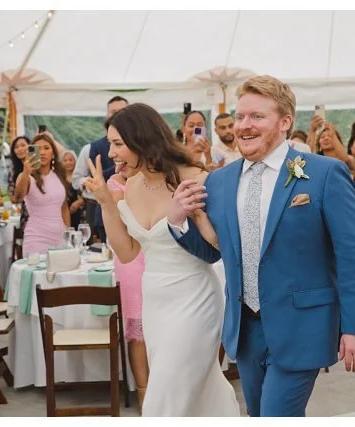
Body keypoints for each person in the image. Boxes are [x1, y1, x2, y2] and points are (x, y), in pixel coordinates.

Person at [168, 75, 355, 417]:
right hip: (246, 331)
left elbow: (353, 254)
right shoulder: (219, 181)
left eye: (256, 117)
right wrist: (177, 221)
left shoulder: (324, 173)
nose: (243, 126)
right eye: (240, 117)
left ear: (284, 122)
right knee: (260, 414)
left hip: (302, 326)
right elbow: (215, 251)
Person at [81, 103, 238, 416]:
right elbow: (126, 252)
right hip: (156, 303)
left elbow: (221, 245)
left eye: (117, 144)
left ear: (142, 140)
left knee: (165, 395)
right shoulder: (131, 186)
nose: (111, 153)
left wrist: (193, 215)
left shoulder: (196, 178)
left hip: (194, 299)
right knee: (195, 391)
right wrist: (106, 203)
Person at [104, 164, 149, 407]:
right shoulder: (114, 183)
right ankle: (143, 393)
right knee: (137, 332)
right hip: (130, 260)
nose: (117, 157)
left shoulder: (153, 179)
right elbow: (118, 227)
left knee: (159, 326)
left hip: (156, 254)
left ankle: (163, 392)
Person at [73, 96, 129, 244]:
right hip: (102, 210)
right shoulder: (92, 148)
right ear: (107, 115)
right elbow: (78, 179)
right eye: (113, 112)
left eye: (122, 111)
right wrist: (88, 183)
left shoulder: (140, 146)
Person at [15, 133, 71, 257]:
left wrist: (68, 232)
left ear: (53, 153)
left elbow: (64, 208)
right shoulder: (27, 177)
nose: (43, 152)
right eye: (38, 149)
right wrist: (25, 172)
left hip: (60, 238)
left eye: (46, 148)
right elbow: (18, 197)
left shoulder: (59, 175)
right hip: (36, 239)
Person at [60, 150, 85, 228]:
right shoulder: (59, 178)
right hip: (62, 214)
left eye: (70, 160)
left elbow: (89, 194)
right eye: (65, 160)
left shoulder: (81, 177)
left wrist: (80, 202)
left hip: (80, 215)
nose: (68, 163)